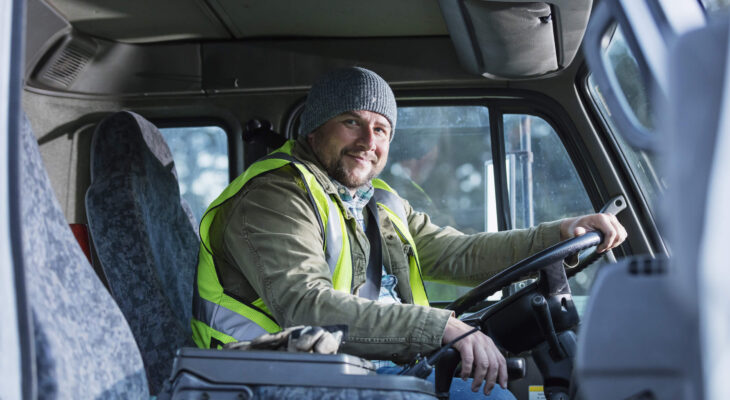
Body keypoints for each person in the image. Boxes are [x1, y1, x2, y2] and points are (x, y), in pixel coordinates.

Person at [191, 67, 627, 398]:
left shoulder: (377, 200)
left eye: (380, 129)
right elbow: (306, 307)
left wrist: (562, 234)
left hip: (360, 369)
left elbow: (460, 253)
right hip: (276, 379)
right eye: (351, 122)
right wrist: (440, 328)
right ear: (314, 126)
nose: (368, 140)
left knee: (488, 390)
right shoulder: (273, 197)